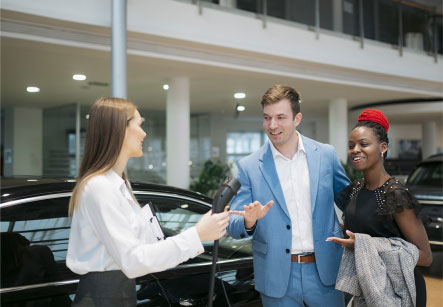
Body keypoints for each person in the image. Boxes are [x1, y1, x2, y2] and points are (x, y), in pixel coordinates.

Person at [66, 97, 230, 307]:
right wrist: (197, 235)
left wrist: (199, 232)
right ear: (120, 129)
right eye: (139, 125)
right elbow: (133, 261)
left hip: (121, 291)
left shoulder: (119, 185)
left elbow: (146, 249)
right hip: (103, 297)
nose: (144, 134)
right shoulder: (99, 187)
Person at [227, 85, 350, 306]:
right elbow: (232, 223)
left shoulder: (325, 155)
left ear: (297, 118)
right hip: (277, 275)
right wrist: (248, 220)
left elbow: (351, 204)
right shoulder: (249, 166)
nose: (272, 125)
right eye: (267, 118)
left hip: (325, 272)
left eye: (281, 117)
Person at [327, 109, 432, 306]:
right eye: (351, 146)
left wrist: (364, 244)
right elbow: (357, 229)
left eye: (364, 144)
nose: (355, 150)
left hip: (400, 292)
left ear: (383, 147)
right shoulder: (354, 189)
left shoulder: (395, 195)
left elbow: (425, 256)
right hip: (368, 289)